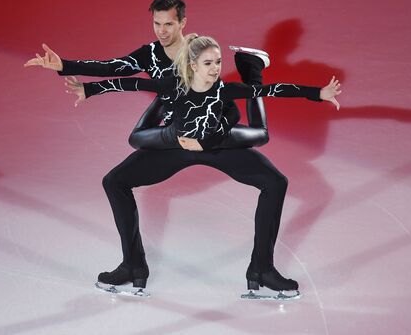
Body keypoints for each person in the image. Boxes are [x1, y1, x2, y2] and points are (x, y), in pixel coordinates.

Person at [64, 34, 341, 299]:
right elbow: (131, 84)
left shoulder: (224, 90)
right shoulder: (172, 86)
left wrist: (318, 93)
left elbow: (272, 90)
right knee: (114, 181)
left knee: (275, 182)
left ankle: (262, 269)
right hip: (175, 148)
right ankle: (133, 266)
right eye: (208, 63)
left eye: (219, 62)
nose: (215, 69)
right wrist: (88, 88)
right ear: (193, 65)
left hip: (219, 145)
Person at [24, 0, 269, 151]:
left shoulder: (197, 49)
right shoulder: (148, 53)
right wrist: (65, 66)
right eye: (157, 24)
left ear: (182, 23)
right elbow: (111, 67)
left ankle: (253, 66)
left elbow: (219, 94)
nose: (161, 31)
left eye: (169, 24)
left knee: (260, 135)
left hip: (208, 119)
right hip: (176, 118)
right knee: (138, 137)